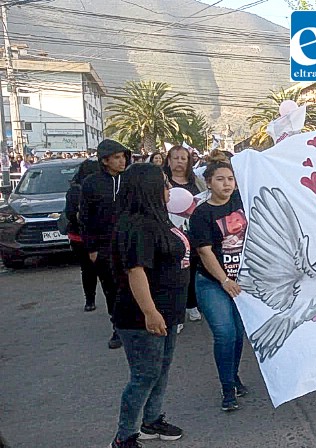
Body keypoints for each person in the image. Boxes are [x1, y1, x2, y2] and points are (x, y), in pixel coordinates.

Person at [109, 163, 189, 448]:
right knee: (144, 375)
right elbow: (136, 270)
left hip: (167, 312)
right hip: (141, 316)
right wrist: (150, 312)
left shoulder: (158, 218)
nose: (170, 188)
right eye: (164, 183)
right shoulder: (137, 225)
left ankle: (152, 420)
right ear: (149, 188)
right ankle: (124, 437)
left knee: (160, 371)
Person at [188, 160, 248, 411]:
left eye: (230, 179)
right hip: (212, 282)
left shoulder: (242, 202)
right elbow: (204, 252)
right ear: (209, 183)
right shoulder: (202, 214)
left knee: (238, 333)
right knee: (224, 333)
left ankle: (233, 376)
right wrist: (224, 281)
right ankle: (227, 389)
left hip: (243, 280)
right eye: (220, 179)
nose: (226, 184)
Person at [80, 139, 131, 349]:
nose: (122, 161)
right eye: (117, 158)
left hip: (129, 243)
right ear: (105, 161)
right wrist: (91, 248)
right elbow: (85, 217)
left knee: (133, 285)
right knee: (112, 288)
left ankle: (136, 324)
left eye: (123, 157)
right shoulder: (91, 183)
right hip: (104, 247)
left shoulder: (129, 180)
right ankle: (117, 327)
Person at [165, 145, 206, 326]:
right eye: (176, 158)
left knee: (192, 271)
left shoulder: (197, 182)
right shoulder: (163, 183)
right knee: (174, 275)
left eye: (184, 158)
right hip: (170, 238)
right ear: (169, 160)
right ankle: (177, 313)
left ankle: (192, 305)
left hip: (193, 237)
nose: (179, 162)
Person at [64, 159, 101, 312]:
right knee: (105, 271)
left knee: (87, 270)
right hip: (93, 236)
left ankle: (90, 301)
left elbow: (69, 214)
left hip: (77, 237)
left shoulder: (73, 189)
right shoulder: (93, 188)